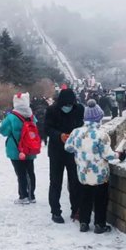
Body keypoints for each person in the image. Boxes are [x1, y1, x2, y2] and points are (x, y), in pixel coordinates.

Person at [65, 100, 126, 233]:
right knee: (100, 200)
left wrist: (80, 150)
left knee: (84, 198)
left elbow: (68, 147)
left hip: (83, 174)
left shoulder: (76, 132)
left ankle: (84, 222)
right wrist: (119, 155)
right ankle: (99, 225)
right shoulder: (101, 135)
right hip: (100, 175)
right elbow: (108, 155)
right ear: (98, 119)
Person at [45, 87, 84, 223]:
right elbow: (47, 128)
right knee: (55, 182)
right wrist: (59, 135)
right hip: (56, 151)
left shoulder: (79, 109)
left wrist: (74, 136)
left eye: (70, 104)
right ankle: (55, 211)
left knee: (75, 182)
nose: (68, 107)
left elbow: (81, 126)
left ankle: (76, 209)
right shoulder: (52, 110)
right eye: (65, 105)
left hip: (73, 151)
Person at [0, 92, 38, 204]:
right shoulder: (31, 116)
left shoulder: (11, 116)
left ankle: (23, 196)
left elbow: (3, 131)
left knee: (20, 173)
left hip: (16, 149)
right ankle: (32, 195)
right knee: (30, 172)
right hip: (30, 147)